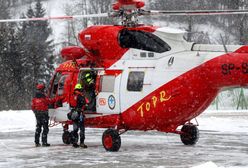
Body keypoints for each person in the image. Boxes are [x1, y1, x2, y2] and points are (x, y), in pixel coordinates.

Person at [70, 83, 88, 148]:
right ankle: (82, 143)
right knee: (82, 129)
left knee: (75, 129)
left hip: (73, 114)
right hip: (80, 114)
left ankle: (75, 142)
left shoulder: (73, 96)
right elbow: (85, 105)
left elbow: (71, 105)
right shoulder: (81, 96)